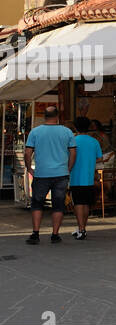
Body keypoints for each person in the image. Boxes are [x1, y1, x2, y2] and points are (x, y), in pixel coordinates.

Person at [23, 104, 76, 245]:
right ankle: (55, 234)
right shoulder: (67, 132)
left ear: (44, 117)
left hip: (41, 174)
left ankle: (35, 234)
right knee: (58, 205)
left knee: (37, 204)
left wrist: (29, 168)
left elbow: (28, 152)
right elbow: (73, 152)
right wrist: (68, 168)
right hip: (61, 174)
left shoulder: (35, 132)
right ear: (58, 116)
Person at [69, 116, 104, 240]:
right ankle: (82, 228)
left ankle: (81, 229)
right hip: (89, 177)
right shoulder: (94, 141)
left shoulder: (72, 140)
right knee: (86, 203)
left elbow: (67, 157)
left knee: (78, 203)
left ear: (75, 127)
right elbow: (100, 158)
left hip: (75, 177)